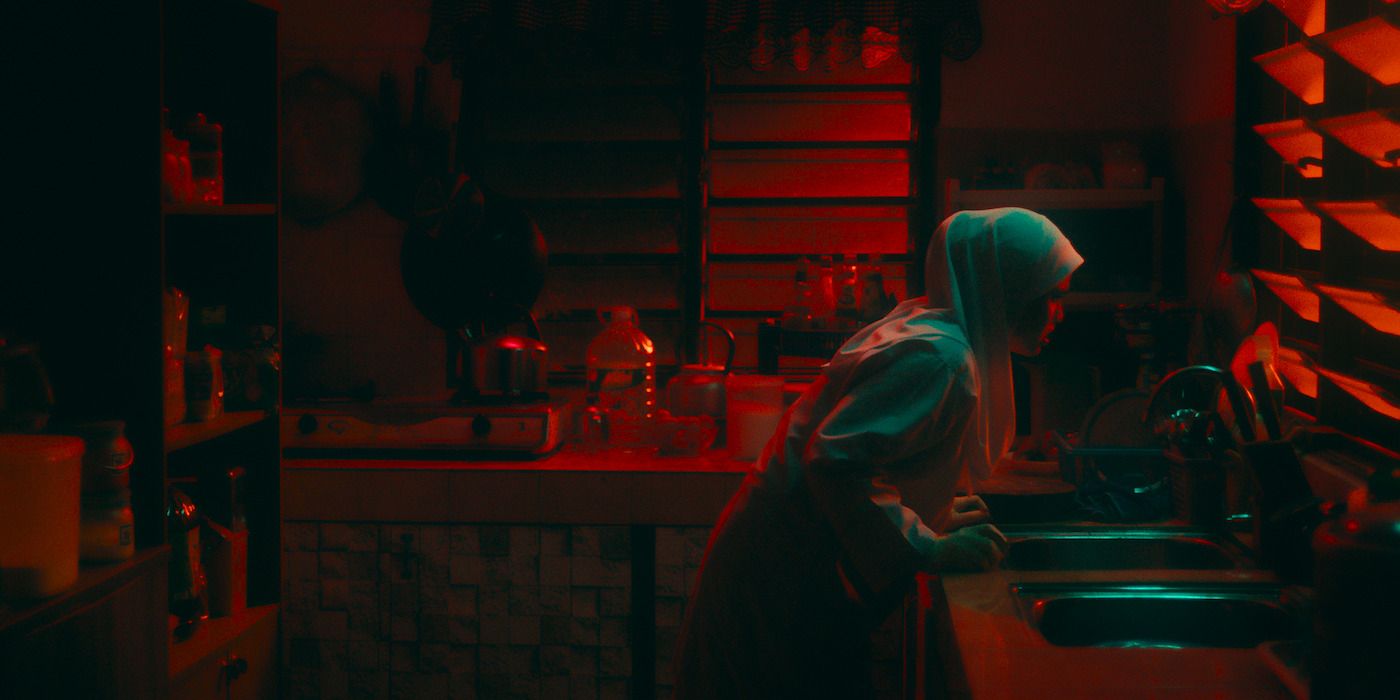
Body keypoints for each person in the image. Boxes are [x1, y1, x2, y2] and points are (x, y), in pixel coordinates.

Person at [672, 207, 1083, 699]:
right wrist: (923, 546)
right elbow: (836, 459)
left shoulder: (932, 330)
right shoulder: (942, 359)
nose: (1061, 313)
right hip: (778, 583)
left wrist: (930, 508)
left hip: (776, 566)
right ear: (1007, 290)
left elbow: (876, 453)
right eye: (1052, 296)